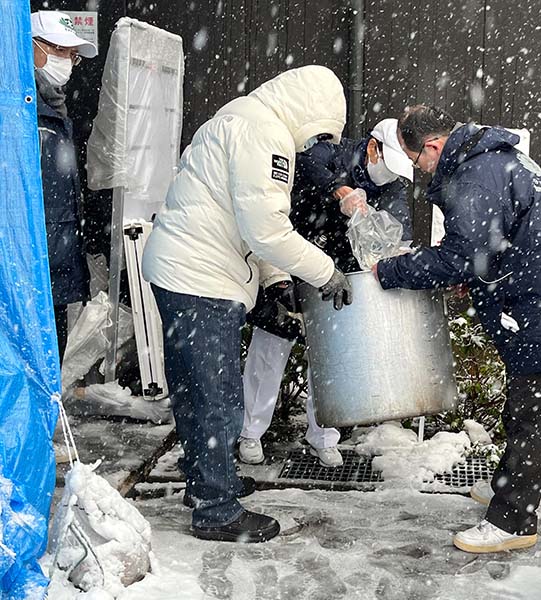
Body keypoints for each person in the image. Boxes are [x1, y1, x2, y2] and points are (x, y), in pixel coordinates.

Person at [374, 105, 541, 554]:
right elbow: (494, 241)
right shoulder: (493, 159)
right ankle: (507, 488)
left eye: (418, 160)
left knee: (532, 418)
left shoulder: (477, 173)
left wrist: (390, 270)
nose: (421, 171)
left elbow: (459, 254)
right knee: (525, 409)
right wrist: (477, 276)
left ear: (435, 146)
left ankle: (514, 520)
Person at [142, 65, 352, 543]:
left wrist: (276, 282)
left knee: (199, 390)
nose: (311, 146)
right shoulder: (267, 134)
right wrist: (326, 273)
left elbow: (248, 221)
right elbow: (267, 229)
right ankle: (216, 509)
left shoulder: (239, 118)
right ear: (310, 111)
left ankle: (210, 484)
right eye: (319, 134)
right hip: (200, 277)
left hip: (185, 268)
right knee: (216, 397)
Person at [238, 118, 414, 467]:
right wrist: (340, 190)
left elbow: (398, 228)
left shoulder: (392, 186)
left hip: (343, 273)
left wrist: (394, 248)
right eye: (388, 165)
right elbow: (303, 162)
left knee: (333, 353)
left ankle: (324, 434)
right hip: (295, 257)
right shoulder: (331, 152)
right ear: (372, 148)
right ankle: (250, 431)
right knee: (273, 342)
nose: (390, 176)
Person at [31, 11, 98, 363]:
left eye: (72, 55)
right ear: (31, 48)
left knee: (48, 366)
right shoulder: (21, 109)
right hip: (29, 272)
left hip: (53, 270)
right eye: (59, 50)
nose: (68, 62)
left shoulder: (54, 109)